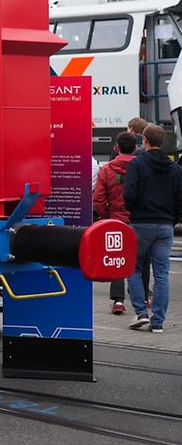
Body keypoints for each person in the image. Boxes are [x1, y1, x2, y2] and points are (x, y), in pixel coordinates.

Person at [122, 124, 180, 333]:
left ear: (144, 141)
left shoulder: (137, 164)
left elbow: (128, 194)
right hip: (165, 225)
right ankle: (158, 322)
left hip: (141, 223)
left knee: (134, 267)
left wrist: (135, 211)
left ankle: (141, 313)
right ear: (163, 142)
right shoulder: (174, 168)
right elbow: (179, 199)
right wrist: (172, 220)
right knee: (162, 273)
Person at [94, 132, 142, 314]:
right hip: (138, 218)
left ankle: (118, 301)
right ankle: (143, 297)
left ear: (116, 148)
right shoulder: (141, 167)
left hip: (115, 218)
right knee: (139, 259)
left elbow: (98, 198)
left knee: (116, 258)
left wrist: (107, 216)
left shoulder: (106, 169)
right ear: (136, 148)